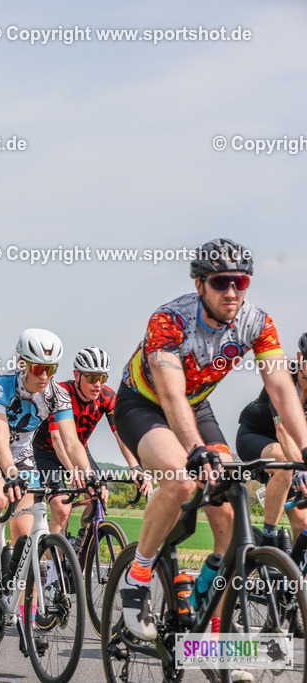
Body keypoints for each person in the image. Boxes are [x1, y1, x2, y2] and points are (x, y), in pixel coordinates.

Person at [114, 238, 307, 642]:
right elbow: (169, 393)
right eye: (221, 282)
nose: (232, 292)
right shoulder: (170, 319)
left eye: (241, 282)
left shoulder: (258, 322)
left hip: (197, 407)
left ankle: (211, 631)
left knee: (230, 518)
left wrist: (305, 450)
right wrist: (194, 449)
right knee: (182, 478)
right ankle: (139, 574)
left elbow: (282, 390)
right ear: (200, 284)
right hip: (144, 404)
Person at [0, 329, 95, 655]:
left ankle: (27, 622)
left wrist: (88, 475)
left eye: (51, 368)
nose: (44, 376)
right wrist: (11, 474)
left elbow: (72, 442)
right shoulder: (1, 386)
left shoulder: (57, 395)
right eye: (37, 368)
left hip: (22, 459)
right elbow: (1, 440)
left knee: (27, 540)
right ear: (22, 363)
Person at [31, 347, 152, 536]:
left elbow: (121, 435)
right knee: (62, 509)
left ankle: (80, 547)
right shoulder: (61, 394)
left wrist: (135, 467)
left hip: (79, 450)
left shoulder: (107, 397)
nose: (97, 384)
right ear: (76, 375)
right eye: (91, 378)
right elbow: (57, 439)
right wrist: (73, 471)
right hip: (47, 451)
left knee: (99, 496)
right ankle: (54, 564)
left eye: (102, 378)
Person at [236, 331, 307, 544]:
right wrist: (299, 467)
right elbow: (282, 430)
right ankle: (268, 537)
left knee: (303, 524)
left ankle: (292, 572)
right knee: (283, 462)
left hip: (295, 449)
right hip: (256, 437)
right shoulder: (282, 378)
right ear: (300, 357)